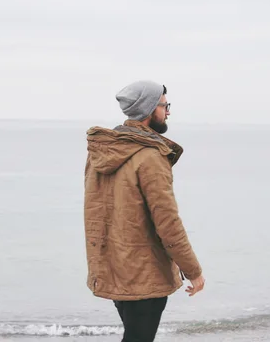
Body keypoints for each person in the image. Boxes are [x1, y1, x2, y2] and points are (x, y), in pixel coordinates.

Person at [84, 80, 205, 342]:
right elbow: (168, 222)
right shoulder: (150, 157)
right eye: (164, 105)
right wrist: (193, 271)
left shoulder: (103, 150)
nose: (168, 111)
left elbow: (96, 211)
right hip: (142, 274)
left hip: (114, 268)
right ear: (150, 109)